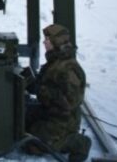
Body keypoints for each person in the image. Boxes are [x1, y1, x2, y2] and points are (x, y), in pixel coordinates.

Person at [25, 24, 91, 161]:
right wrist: (33, 83)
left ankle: (79, 143)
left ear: (57, 42)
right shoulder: (55, 61)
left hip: (63, 120)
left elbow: (70, 102)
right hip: (50, 111)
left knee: (34, 145)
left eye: (47, 40)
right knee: (21, 124)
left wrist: (41, 90)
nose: (44, 42)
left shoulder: (69, 68)